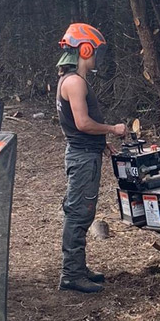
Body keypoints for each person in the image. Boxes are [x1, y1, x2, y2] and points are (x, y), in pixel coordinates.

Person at [55, 23, 126, 293]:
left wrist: (103, 143)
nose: (96, 56)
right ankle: (71, 274)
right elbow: (83, 123)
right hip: (82, 158)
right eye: (94, 51)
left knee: (82, 212)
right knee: (78, 214)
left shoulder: (74, 80)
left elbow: (80, 127)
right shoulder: (74, 82)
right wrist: (111, 129)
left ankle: (78, 268)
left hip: (87, 153)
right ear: (84, 49)